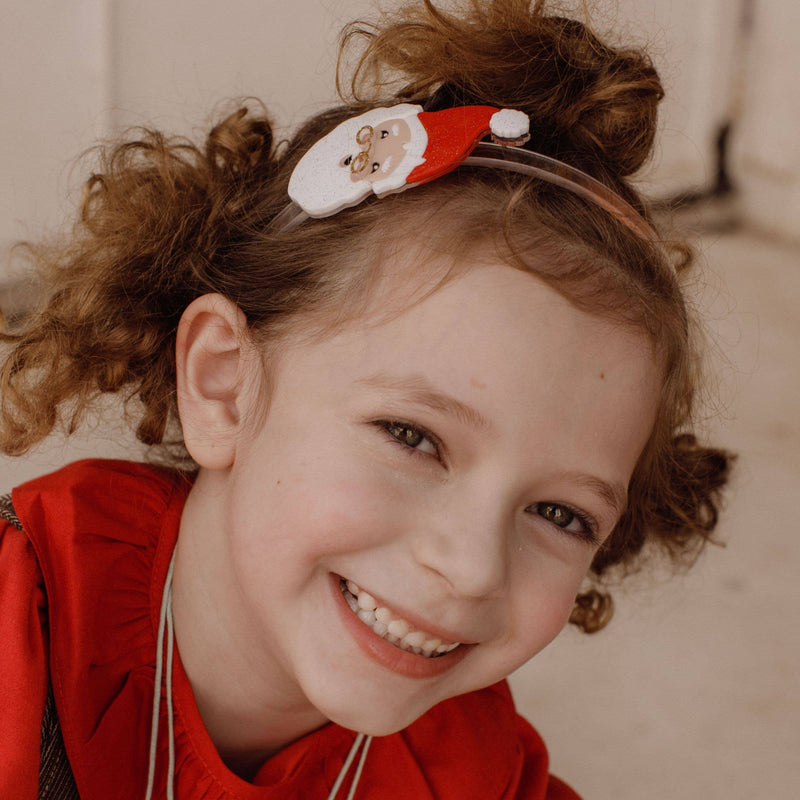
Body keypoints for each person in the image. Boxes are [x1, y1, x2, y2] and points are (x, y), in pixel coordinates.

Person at [0, 1, 732, 798]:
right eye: (413, 437)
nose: (471, 568)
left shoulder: (475, 772)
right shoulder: (20, 634)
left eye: (560, 515)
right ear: (223, 384)